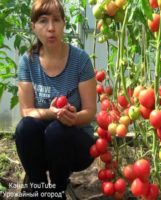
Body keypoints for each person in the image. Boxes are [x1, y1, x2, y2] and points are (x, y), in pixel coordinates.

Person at [15, 0, 97, 199]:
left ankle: (57, 190)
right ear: (33, 26)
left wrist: (74, 118)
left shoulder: (80, 60)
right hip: (42, 147)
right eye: (43, 21)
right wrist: (52, 113)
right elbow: (26, 111)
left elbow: (90, 111)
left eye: (56, 20)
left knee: (57, 131)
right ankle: (39, 188)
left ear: (64, 24)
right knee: (25, 128)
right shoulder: (28, 61)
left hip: (76, 146)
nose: (51, 28)